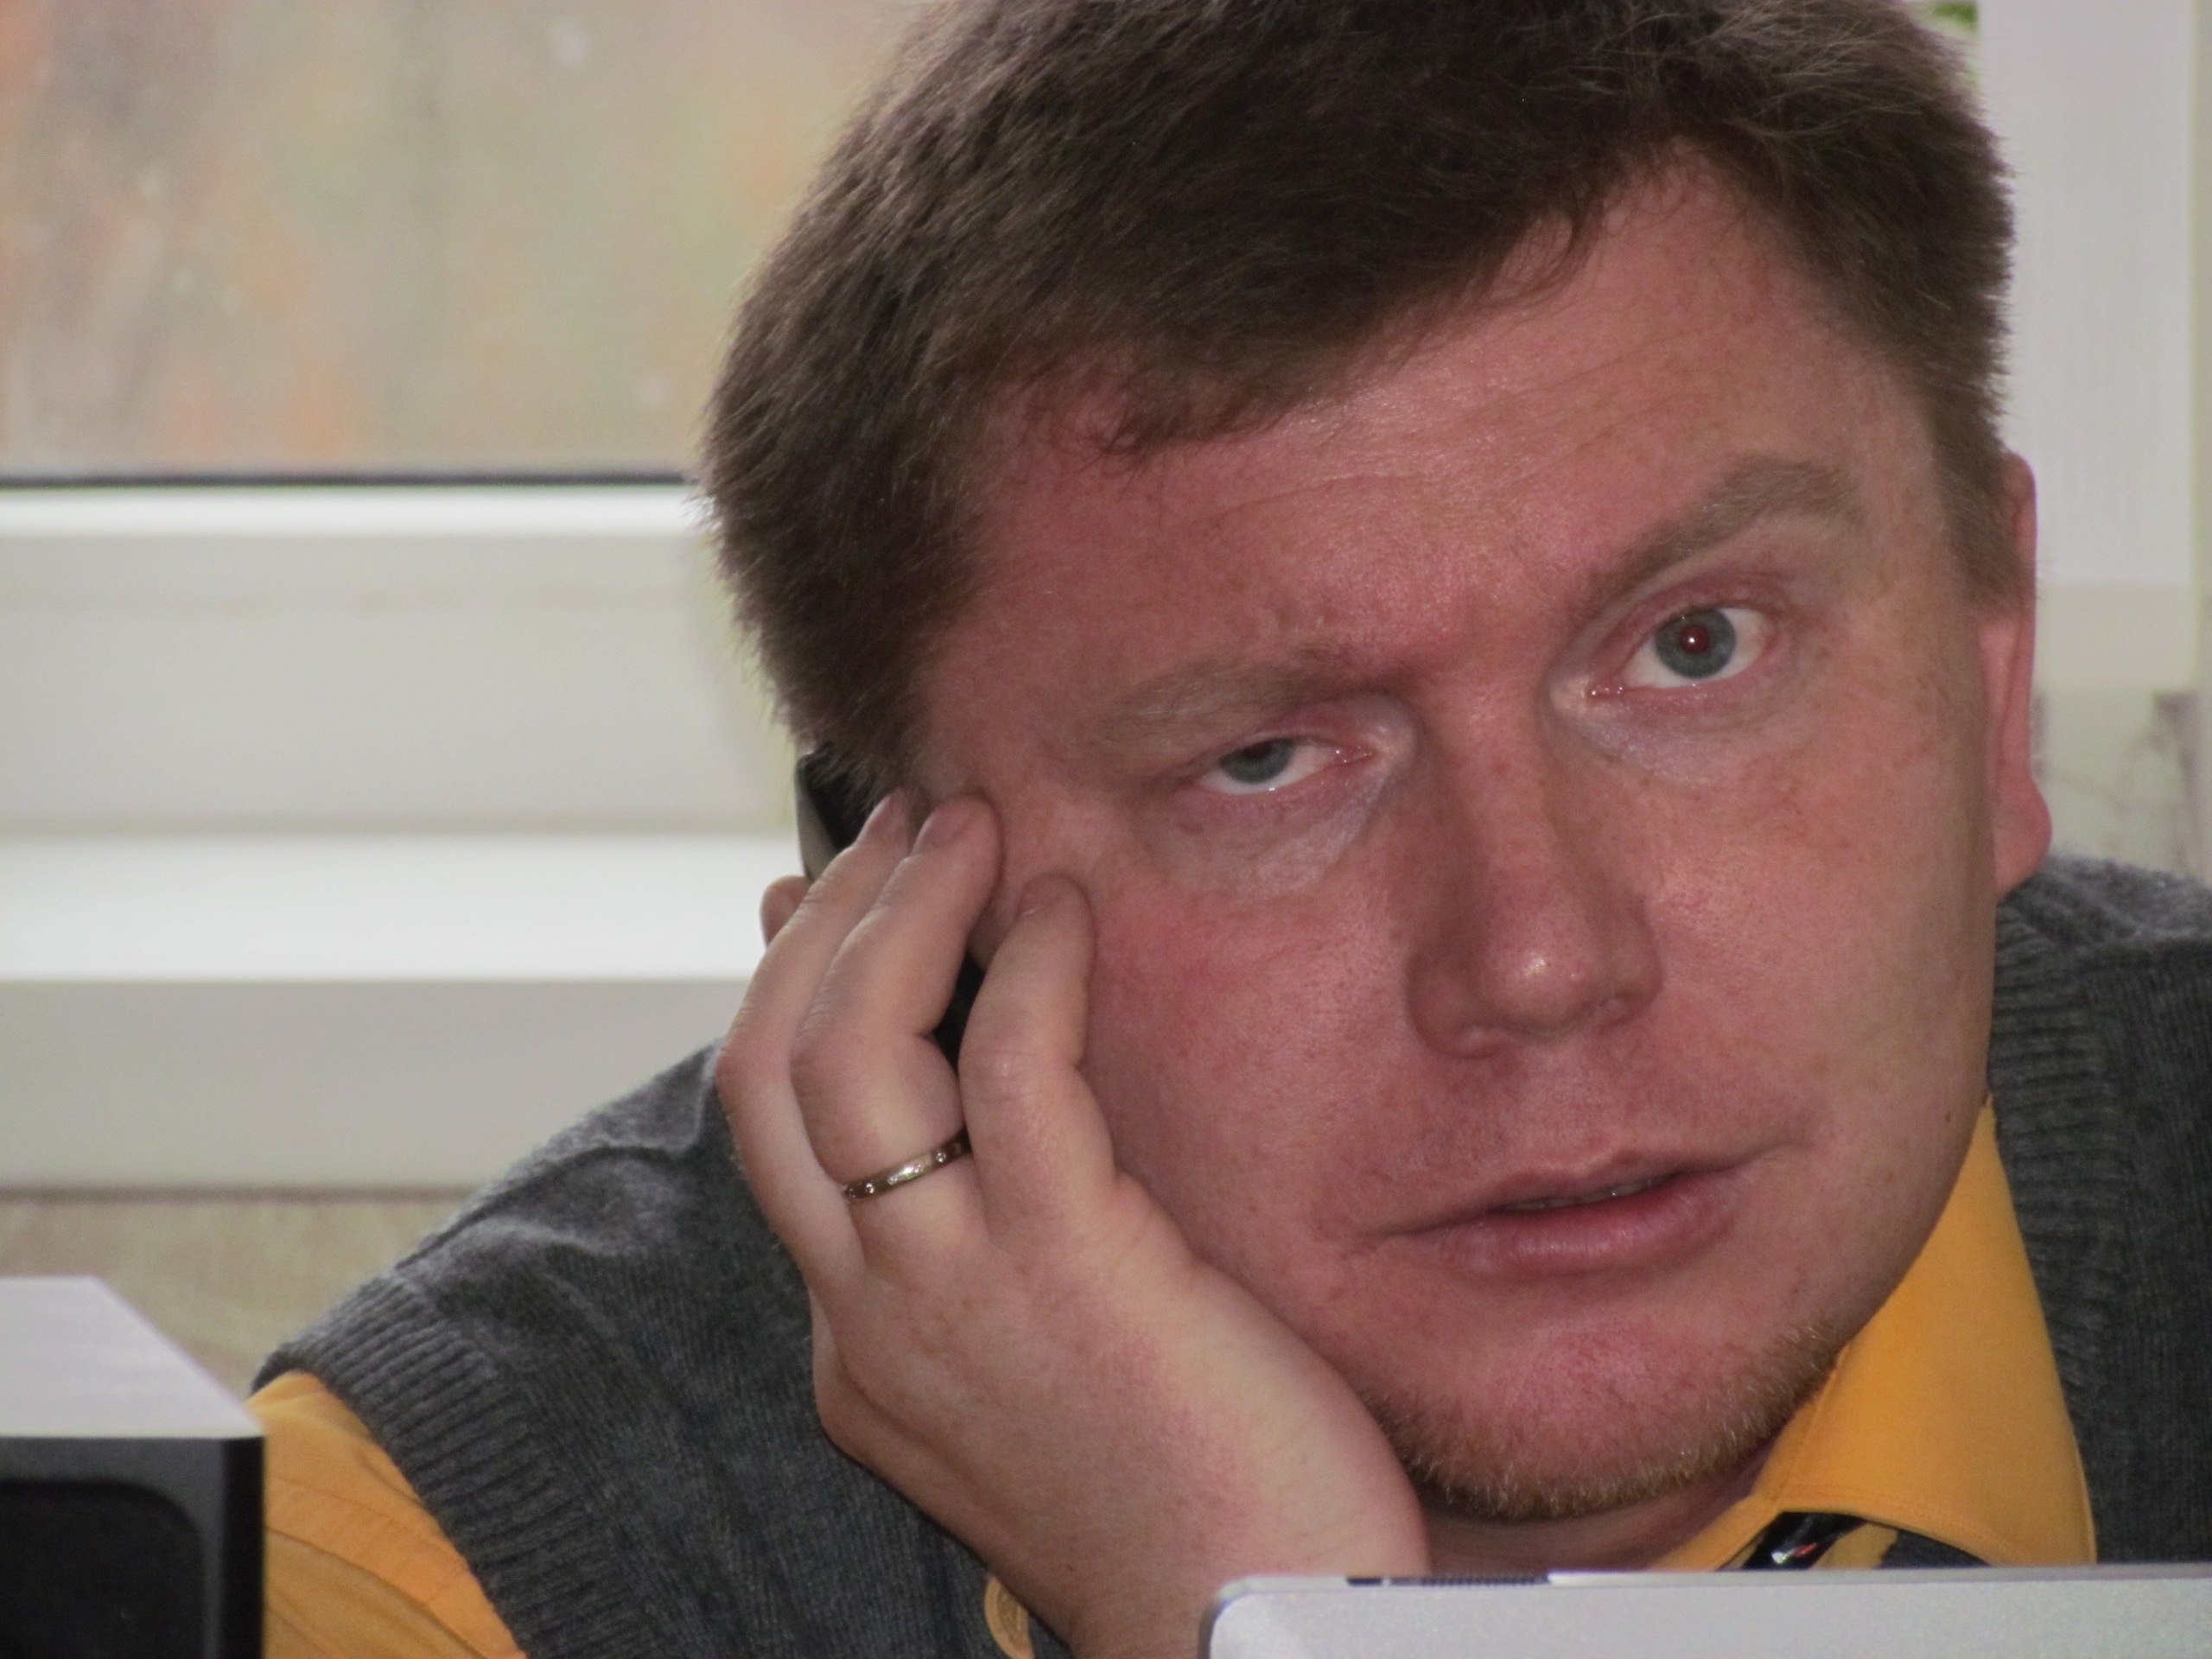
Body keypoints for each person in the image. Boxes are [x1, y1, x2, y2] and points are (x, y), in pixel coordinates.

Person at [248, 3, 2212, 1656]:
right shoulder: (452, 1561)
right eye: (1267, 761)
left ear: (1990, 678)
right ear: (910, 944)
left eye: (1695, 649)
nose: (1539, 959)